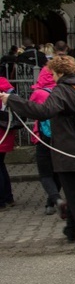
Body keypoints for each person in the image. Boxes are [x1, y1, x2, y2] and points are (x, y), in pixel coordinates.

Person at [1, 56, 75, 251]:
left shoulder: (63, 89)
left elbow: (43, 111)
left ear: (58, 72)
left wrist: (11, 99)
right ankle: (71, 229)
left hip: (69, 152)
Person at [28, 66, 64, 215]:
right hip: (62, 137)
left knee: (45, 173)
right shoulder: (62, 91)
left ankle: (55, 200)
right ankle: (51, 202)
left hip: (43, 137)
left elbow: (29, 111)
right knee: (58, 171)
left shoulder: (38, 93)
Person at [0, 77, 17, 211]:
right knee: (1, 165)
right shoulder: (5, 84)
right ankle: (8, 197)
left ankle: (1, 200)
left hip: (1, 132)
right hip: (6, 131)